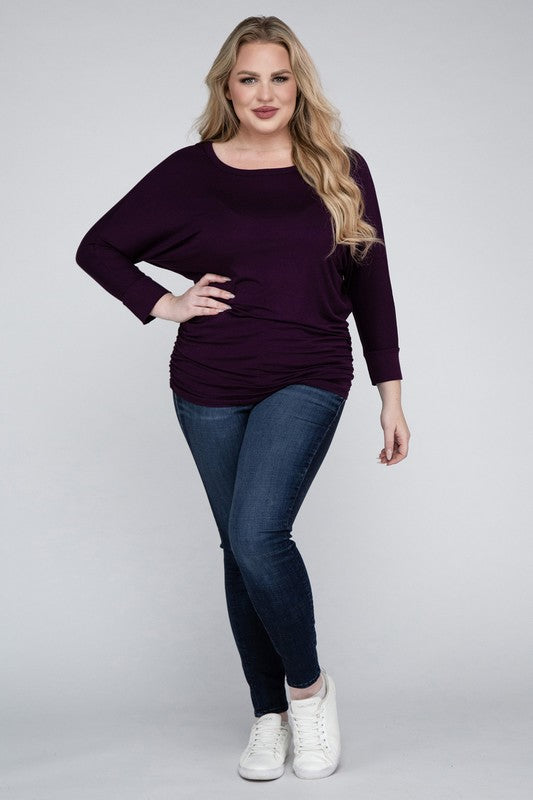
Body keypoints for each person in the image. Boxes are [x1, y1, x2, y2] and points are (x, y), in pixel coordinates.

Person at [75, 14, 410, 782]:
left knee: (259, 535)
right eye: (248, 78)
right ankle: (266, 715)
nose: (264, 93)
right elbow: (100, 247)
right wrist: (165, 303)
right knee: (238, 547)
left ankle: (308, 693)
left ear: (299, 85)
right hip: (209, 382)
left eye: (278, 77)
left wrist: (390, 395)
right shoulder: (191, 172)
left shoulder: (340, 168)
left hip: (308, 371)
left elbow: (372, 287)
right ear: (226, 88)